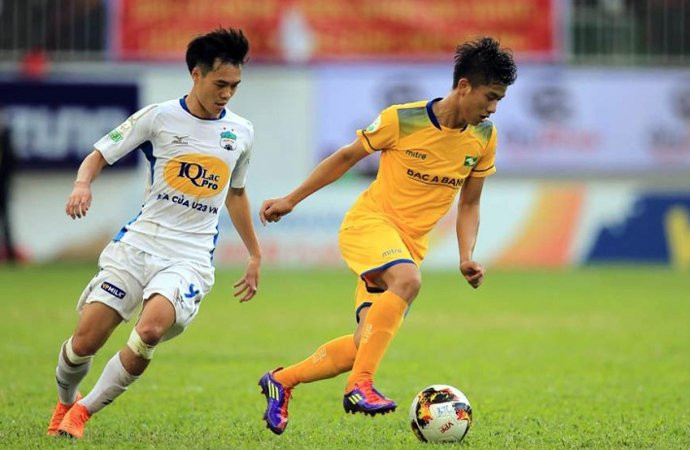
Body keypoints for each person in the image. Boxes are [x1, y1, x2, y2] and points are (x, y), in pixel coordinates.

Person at [258, 37, 517, 434]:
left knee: (364, 342)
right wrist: (291, 199)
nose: (493, 108)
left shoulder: (484, 137)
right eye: (491, 96)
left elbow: (469, 203)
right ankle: (359, 385)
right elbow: (346, 157)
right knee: (408, 281)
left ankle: (281, 381)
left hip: (408, 246)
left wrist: (467, 255)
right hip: (370, 225)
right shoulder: (402, 119)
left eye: (499, 99)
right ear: (464, 86)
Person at [47, 28, 262, 439]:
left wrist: (254, 254)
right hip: (139, 245)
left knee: (149, 331)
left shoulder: (242, 132)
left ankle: (82, 414)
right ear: (196, 74)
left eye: (235, 86)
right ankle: (65, 401)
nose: (227, 94)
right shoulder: (159, 117)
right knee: (84, 341)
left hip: (189, 257)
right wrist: (82, 184)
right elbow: (99, 154)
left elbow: (236, 194)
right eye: (220, 84)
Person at [0, 110, 18, 262]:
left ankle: (10, 253)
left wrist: (7, 179)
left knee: (5, 219)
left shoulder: (5, 137)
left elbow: (11, 160)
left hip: (2, 184)